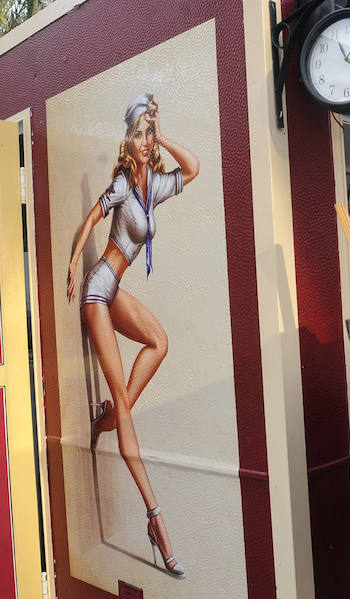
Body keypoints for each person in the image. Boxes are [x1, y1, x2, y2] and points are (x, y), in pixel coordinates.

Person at [66, 94, 198, 579]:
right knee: (124, 407)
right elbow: (92, 220)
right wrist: (70, 264)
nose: (145, 141)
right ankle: (156, 519)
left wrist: (164, 135)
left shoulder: (151, 187)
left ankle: (109, 418)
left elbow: (195, 167)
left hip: (115, 288)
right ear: (127, 139)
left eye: (150, 132)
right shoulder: (123, 183)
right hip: (98, 292)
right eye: (139, 133)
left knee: (159, 341)